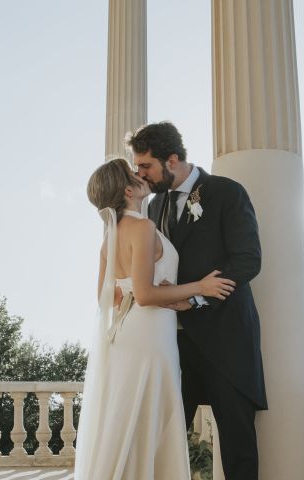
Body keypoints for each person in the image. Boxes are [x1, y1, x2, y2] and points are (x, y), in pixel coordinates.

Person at [74, 157, 236, 480]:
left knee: (127, 421)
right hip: (149, 336)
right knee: (148, 420)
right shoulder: (143, 227)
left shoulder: (110, 239)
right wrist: (199, 287)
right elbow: (146, 295)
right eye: (133, 173)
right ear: (127, 189)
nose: (139, 174)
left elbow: (109, 299)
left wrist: (144, 289)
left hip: (126, 336)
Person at [128, 121, 268, 479]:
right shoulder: (154, 206)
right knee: (162, 442)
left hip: (226, 339)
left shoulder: (226, 192)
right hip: (173, 345)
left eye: (145, 166)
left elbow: (247, 259)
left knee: (237, 447)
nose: (139, 173)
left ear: (171, 159)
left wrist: (197, 301)